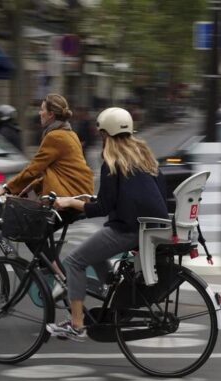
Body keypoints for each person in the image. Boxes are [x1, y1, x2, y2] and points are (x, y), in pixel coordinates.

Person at [46, 107, 169, 341]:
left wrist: (71, 202)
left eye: (101, 133)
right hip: (151, 229)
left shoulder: (111, 162)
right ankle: (115, 295)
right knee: (97, 247)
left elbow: (102, 207)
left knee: (74, 261)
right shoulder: (145, 158)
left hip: (128, 229)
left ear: (105, 134)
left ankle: (77, 325)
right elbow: (152, 194)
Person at [0, 94, 93, 201]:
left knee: (24, 212)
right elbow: (51, 172)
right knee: (28, 201)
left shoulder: (55, 136)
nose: (39, 113)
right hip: (79, 192)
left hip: (68, 193)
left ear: (51, 114)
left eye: (42, 110)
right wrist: (24, 192)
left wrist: (4, 189)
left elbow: (34, 169)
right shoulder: (70, 133)